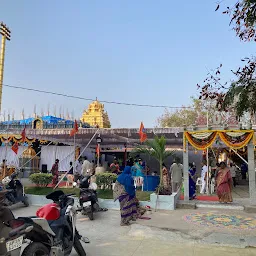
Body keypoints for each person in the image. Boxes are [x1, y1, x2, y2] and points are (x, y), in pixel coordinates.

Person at [113, 159, 137, 226]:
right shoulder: (128, 177)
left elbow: (116, 187)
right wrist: (133, 189)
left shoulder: (120, 176)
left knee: (122, 208)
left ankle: (124, 221)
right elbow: (129, 186)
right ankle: (124, 222)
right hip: (126, 195)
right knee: (127, 208)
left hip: (120, 196)